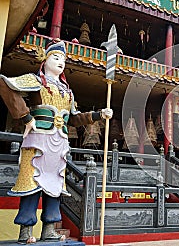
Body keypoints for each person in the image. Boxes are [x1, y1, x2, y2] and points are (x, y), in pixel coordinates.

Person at [0, 40, 113, 243]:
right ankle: (26, 230)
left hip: (59, 144)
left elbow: (75, 118)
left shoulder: (67, 91)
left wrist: (99, 115)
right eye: (56, 57)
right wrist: (26, 117)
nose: (61, 62)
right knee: (31, 184)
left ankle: (50, 228)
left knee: (55, 186)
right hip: (37, 141)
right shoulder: (35, 81)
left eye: (64, 59)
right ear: (45, 59)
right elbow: (4, 84)